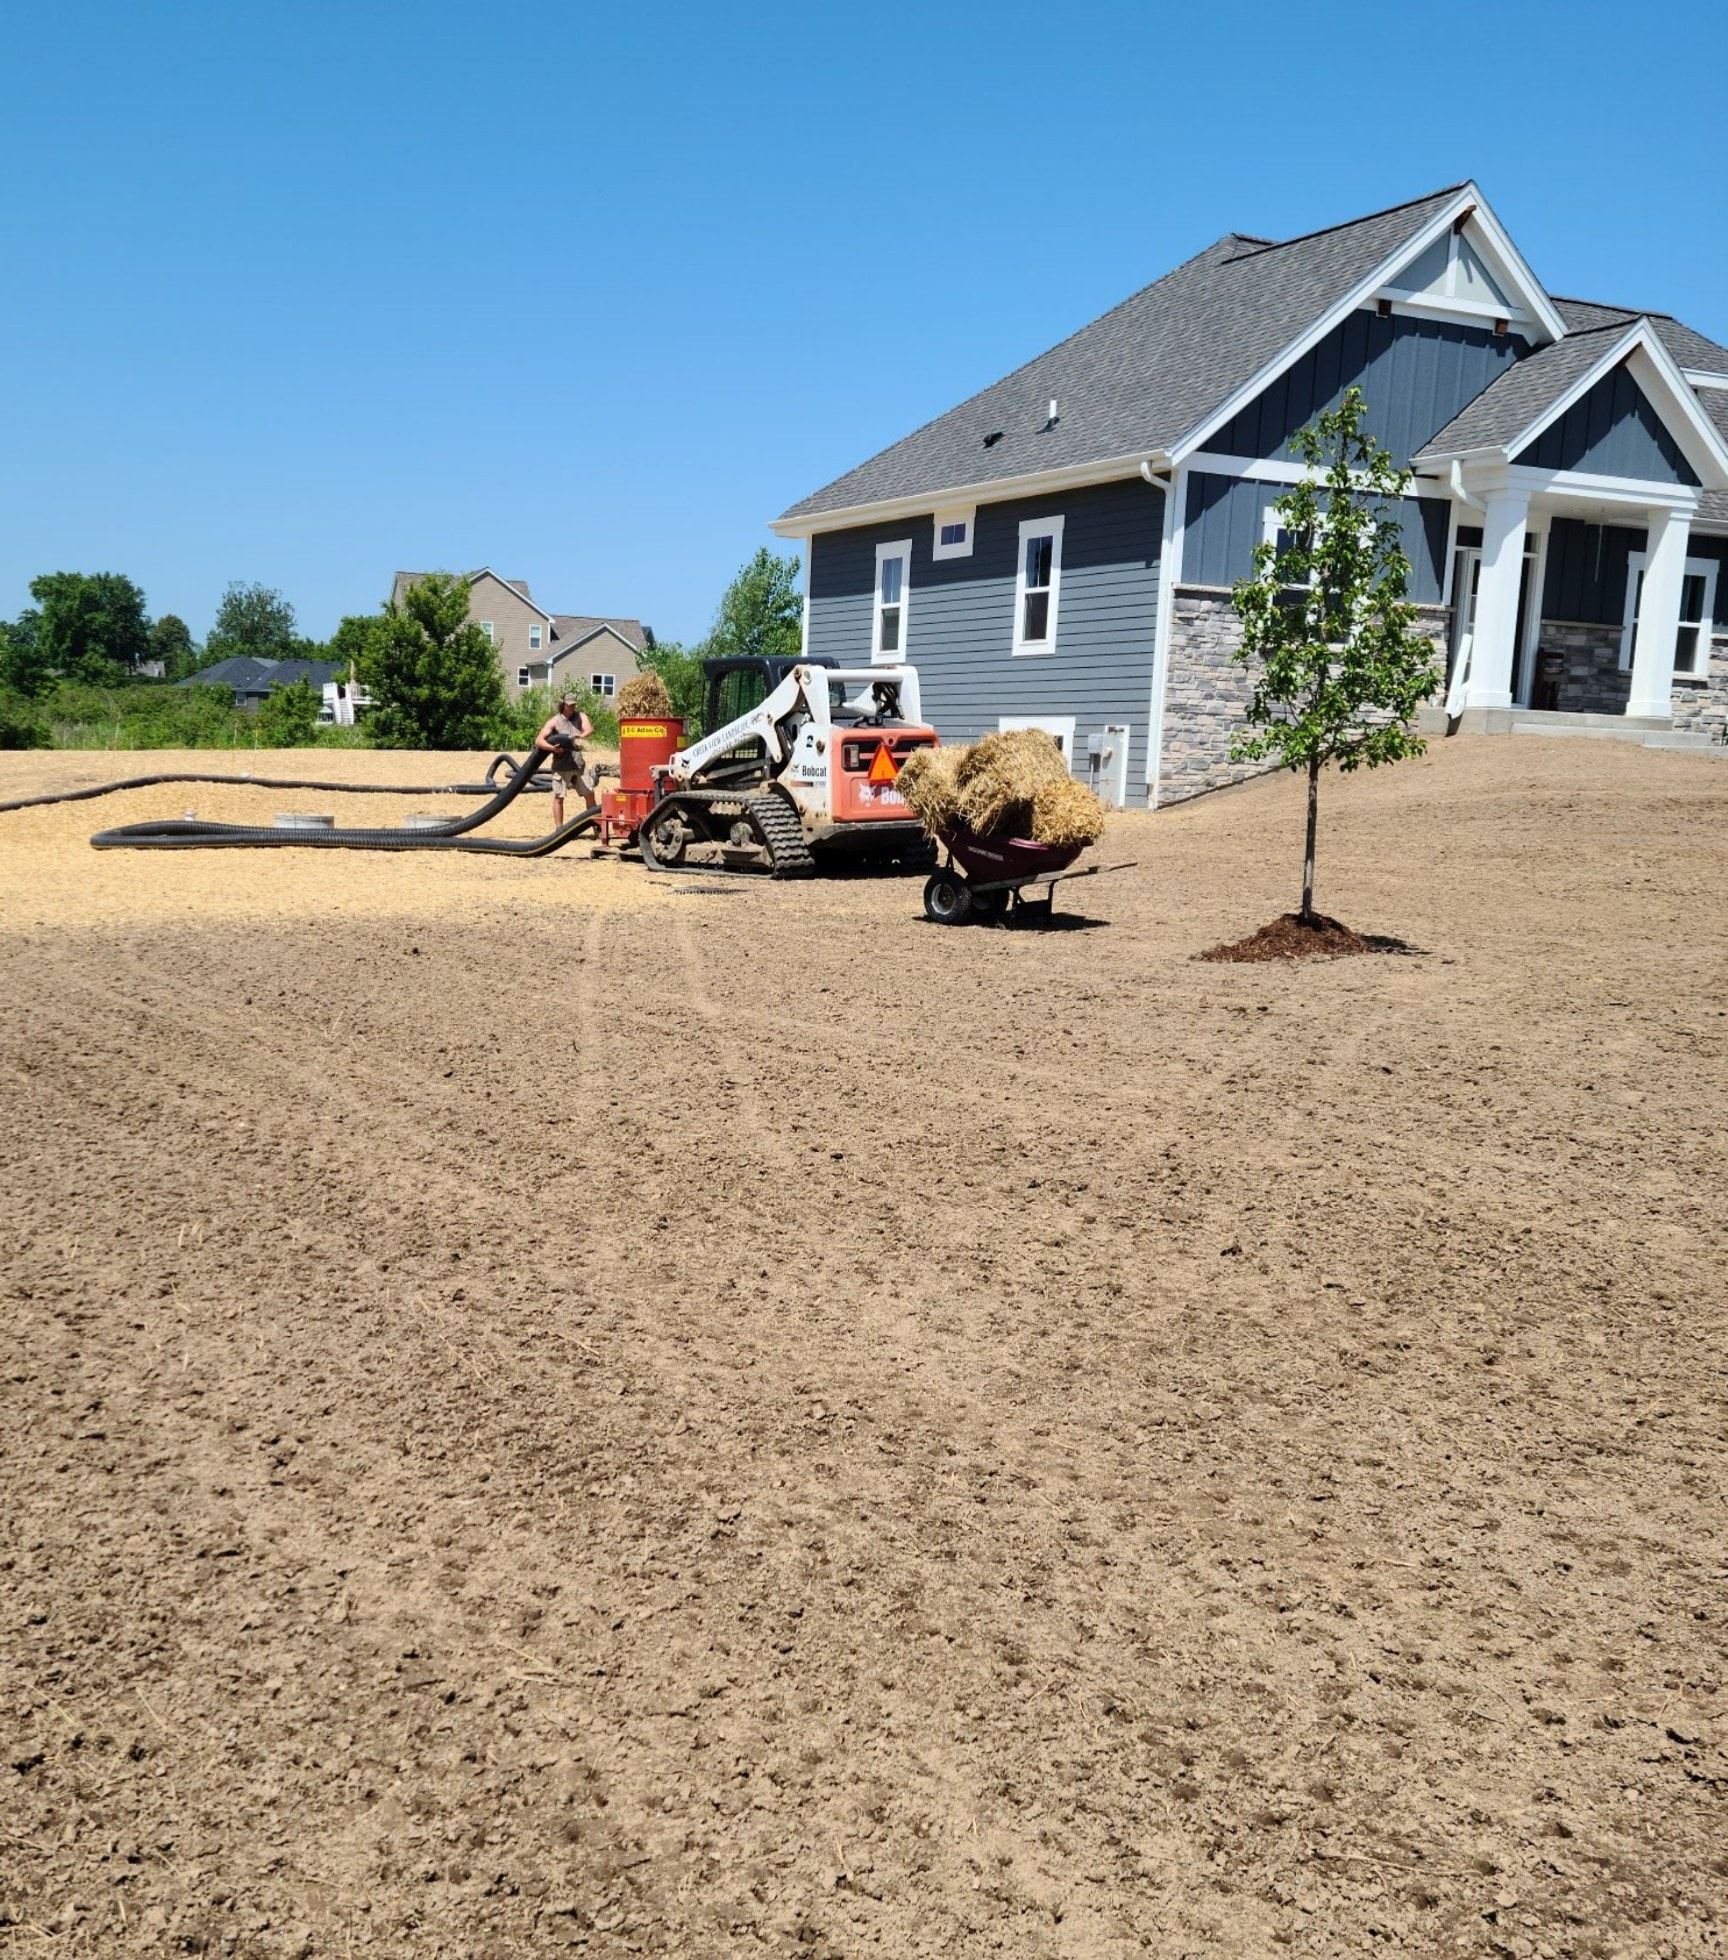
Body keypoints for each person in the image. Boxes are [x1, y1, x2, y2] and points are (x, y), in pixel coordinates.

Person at [537, 693, 598, 825]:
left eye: (574, 705)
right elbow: (539, 741)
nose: (572, 708)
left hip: (579, 766)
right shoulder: (554, 721)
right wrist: (553, 749)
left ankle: (596, 828)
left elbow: (589, 729)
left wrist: (578, 738)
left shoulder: (581, 716)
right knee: (559, 798)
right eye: (569, 705)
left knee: (590, 794)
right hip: (561, 767)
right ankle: (559, 831)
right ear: (563, 704)